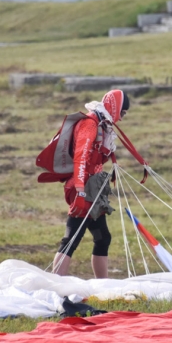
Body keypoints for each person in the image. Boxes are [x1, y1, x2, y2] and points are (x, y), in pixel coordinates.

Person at [52, 89, 130, 278]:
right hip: (82, 188)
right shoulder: (90, 124)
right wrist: (79, 191)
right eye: (123, 112)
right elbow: (80, 157)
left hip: (93, 187)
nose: (122, 117)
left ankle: (103, 286)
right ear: (115, 107)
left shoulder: (103, 125)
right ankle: (55, 287)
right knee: (72, 238)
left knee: (103, 238)